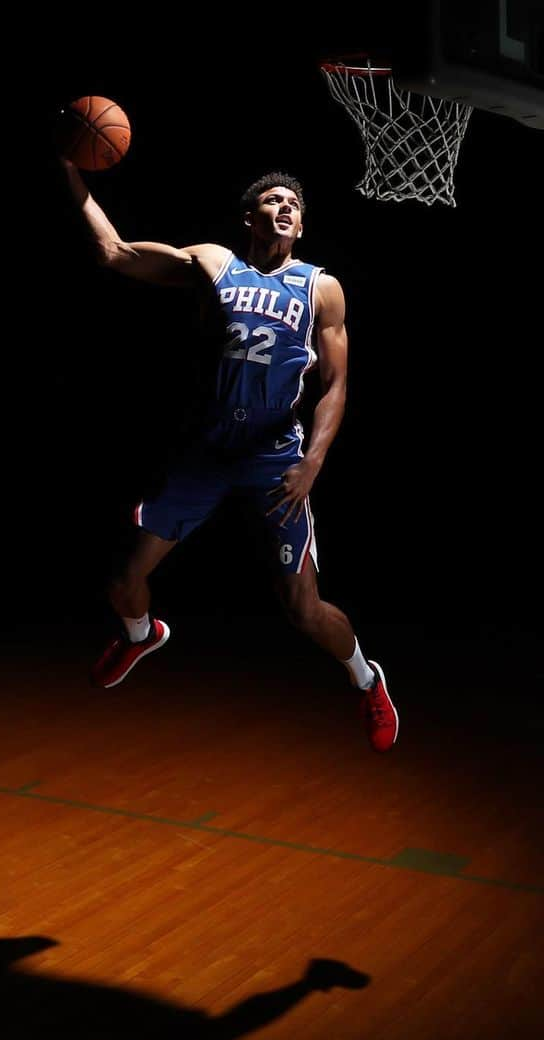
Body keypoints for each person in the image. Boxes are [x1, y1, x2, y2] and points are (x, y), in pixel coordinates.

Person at [59, 156, 399, 752]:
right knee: (123, 579)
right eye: (274, 200)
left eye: (295, 204)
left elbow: (336, 386)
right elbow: (113, 252)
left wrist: (313, 463)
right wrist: (70, 170)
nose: (287, 207)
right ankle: (141, 635)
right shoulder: (216, 263)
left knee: (304, 608)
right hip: (208, 450)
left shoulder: (322, 288)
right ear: (251, 217)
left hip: (274, 458)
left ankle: (368, 679)